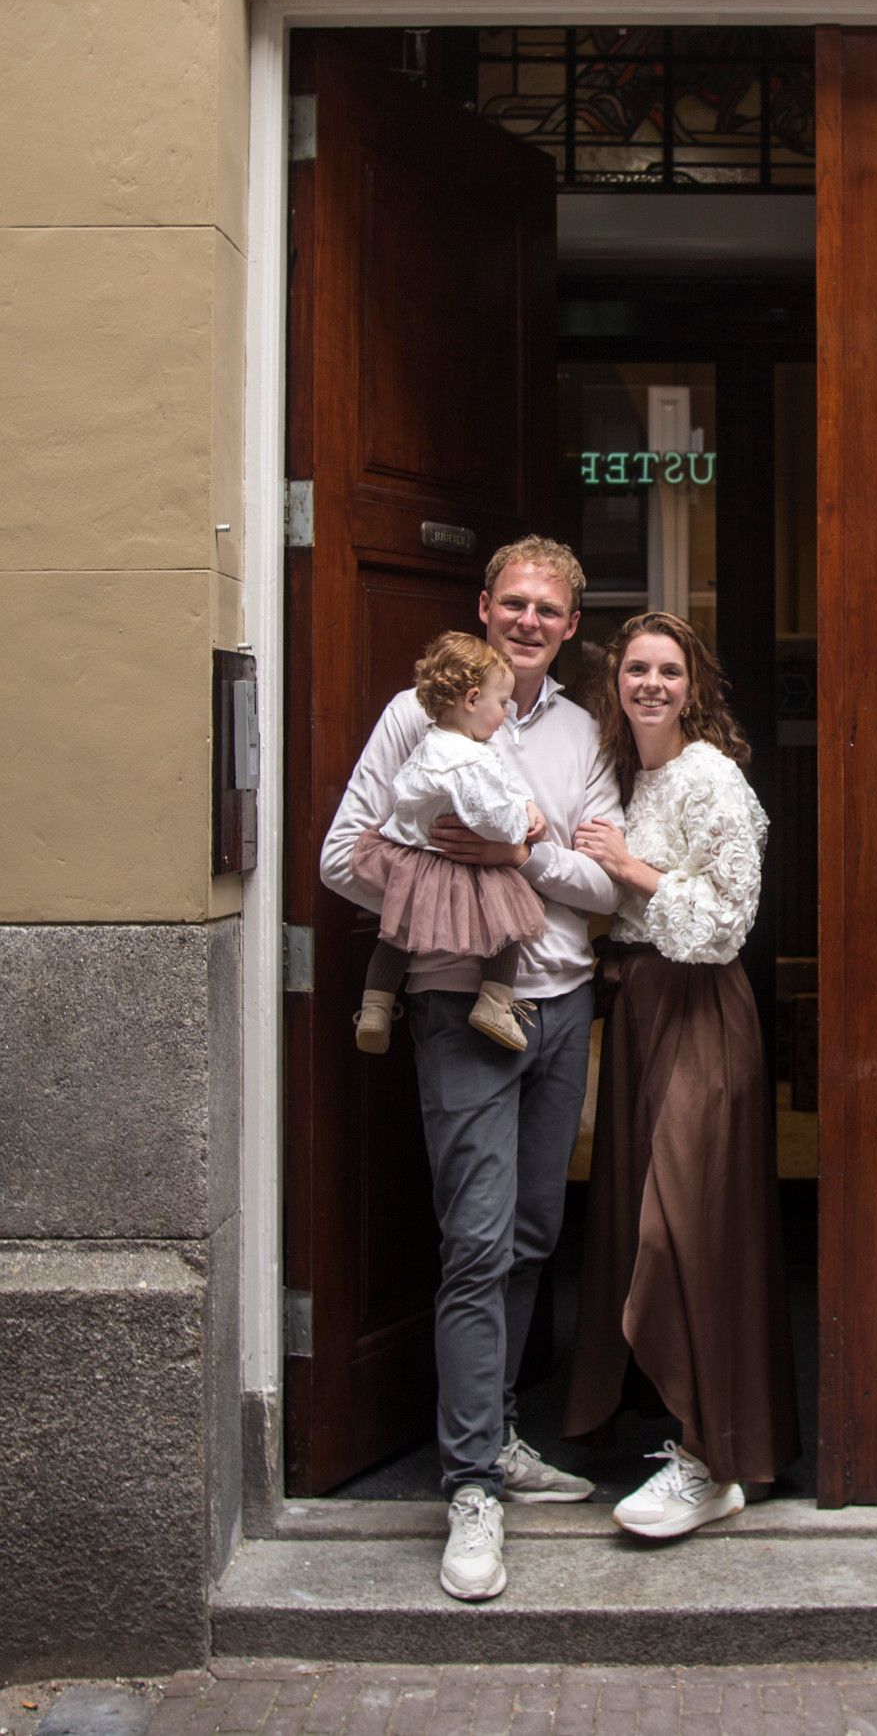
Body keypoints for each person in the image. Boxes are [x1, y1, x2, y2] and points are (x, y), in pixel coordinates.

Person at [319, 537, 622, 1606]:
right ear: (483, 607)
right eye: (513, 603)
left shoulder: (585, 731)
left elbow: (604, 878)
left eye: (549, 608)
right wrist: (446, 886)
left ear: (570, 625)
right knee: (477, 1241)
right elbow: (340, 855)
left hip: (558, 1006)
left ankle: (495, 1434)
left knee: (536, 1234)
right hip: (457, 1008)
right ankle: (468, 1486)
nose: (528, 620)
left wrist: (518, 858)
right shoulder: (418, 714)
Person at [564, 610, 800, 1539]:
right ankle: (692, 1441)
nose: (651, 684)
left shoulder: (711, 776)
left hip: (701, 1010)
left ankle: (714, 1458)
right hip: (635, 1012)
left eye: (668, 670)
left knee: (685, 1223)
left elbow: (728, 918)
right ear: (615, 683)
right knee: (633, 1219)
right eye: (635, 669)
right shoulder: (622, 771)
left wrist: (633, 870)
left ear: (693, 686)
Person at [354, 631, 551, 1057]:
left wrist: (526, 799)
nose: (506, 713)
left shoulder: (431, 742)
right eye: (502, 703)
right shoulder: (469, 758)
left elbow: (499, 783)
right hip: (457, 865)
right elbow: (489, 815)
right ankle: (495, 1003)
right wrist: (521, 823)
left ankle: (374, 1006)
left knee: (395, 934)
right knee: (505, 930)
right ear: (472, 699)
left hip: (410, 860)